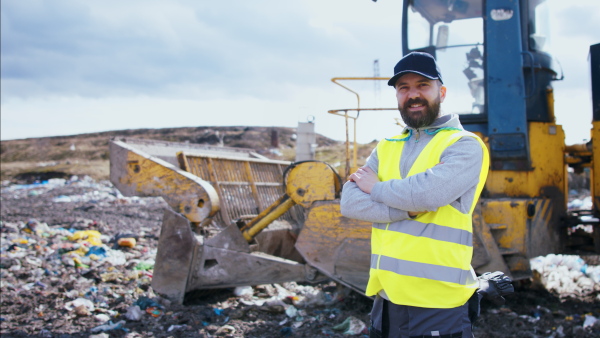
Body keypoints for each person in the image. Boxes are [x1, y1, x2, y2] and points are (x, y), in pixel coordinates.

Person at [340, 51, 490, 337]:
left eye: (423, 85)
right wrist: (405, 209)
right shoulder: (387, 146)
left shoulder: (464, 145)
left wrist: (376, 188)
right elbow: (349, 202)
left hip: (438, 301)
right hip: (386, 298)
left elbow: (427, 194)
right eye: (404, 88)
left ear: (441, 92)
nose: (413, 94)